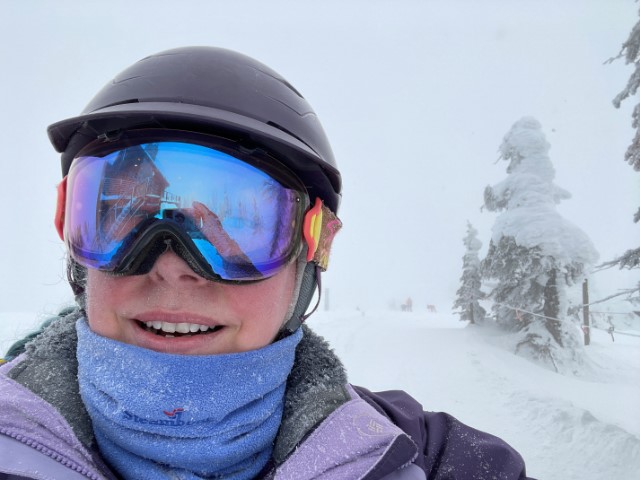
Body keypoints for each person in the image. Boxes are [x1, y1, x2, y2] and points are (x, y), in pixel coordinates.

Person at [0, 46, 533, 480]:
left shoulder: (420, 459)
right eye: (120, 217)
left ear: (308, 257)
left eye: (237, 227)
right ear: (74, 248)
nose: (171, 266)